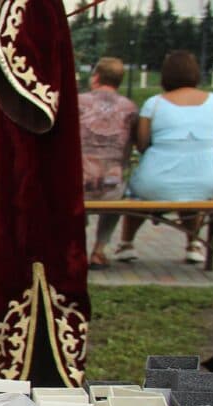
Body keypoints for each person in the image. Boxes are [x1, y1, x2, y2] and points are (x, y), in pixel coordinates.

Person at [116, 50, 213, 264]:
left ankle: (126, 244)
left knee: (137, 195)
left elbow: (142, 144)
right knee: (191, 193)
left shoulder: (154, 103)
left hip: (156, 181)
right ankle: (193, 244)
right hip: (206, 179)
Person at [79, 57, 137, 270]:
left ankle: (78, 246)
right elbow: (131, 146)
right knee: (118, 190)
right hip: (111, 187)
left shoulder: (78, 102)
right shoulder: (130, 107)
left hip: (79, 185)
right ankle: (99, 250)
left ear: (95, 77)